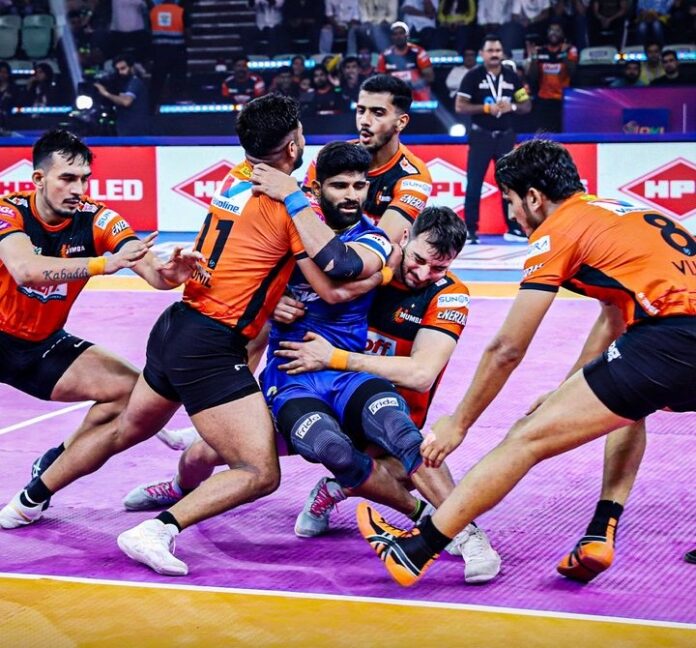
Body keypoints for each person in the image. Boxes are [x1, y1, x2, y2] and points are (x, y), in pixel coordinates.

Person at [0, 96, 401, 578]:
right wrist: (387, 265)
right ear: (294, 146)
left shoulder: (235, 178)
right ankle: (158, 530)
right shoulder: (290, 203)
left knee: (125, 427)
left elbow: (236, 260)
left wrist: (261, 290)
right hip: (212, 345)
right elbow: (336, 277)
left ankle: (27, 501)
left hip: (177, 324)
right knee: (259, 471)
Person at [355, 138, 696, 587]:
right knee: (629, 407)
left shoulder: (558, 229)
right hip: (670, 334)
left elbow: (507, 349)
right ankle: (601, 531)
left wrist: (459, 422)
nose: (513, 214)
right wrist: (566, 391)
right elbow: (614, 317)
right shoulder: (618, 212)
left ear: (533, 197)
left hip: (671, 338)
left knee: (525, 438)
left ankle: (417, 549)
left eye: (511, 201)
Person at [275, 206, 502, 583]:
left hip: (390, 416)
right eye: (419, 260)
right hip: (321, 397)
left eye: (438, 268)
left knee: (409, 452)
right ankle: (176, 499)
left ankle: (464, 532)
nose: (423, 274)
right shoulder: (366, 264)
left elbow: (422, 374)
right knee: (228, 452)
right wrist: (274, 303)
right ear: (405, 238)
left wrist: (336, 357)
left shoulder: (449, 295)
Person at [0, 128, 200, 528]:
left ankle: (54, 464)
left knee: (134, 394)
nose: (78, 189)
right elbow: (24, 269)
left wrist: (171, 275)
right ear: (38, 178)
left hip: (42, 346)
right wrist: (102, 264)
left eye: (84, 179)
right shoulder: (9, 211)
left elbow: (150, 271)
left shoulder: (98, 219)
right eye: (67, 178)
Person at [455, 34, 532, 244]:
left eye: (497, 50)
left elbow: (526, 105)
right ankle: (470, 230)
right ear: (482, 54)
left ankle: (514, 228)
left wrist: (512, 106)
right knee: (474, 183)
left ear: (502, 53)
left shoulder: (511, 76)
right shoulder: (473, 76)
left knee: (509, 184)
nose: (494, 54)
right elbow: (460, 106)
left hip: (505, 137)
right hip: (481, 136)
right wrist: (486, 108)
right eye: (490, 51)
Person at [527, 21, 578, 133]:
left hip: (563, 99)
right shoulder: (540, 51)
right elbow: (532, 77)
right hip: (544, 99)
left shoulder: (570, 49)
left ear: (563, 34)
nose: (553, 33)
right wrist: (534, 58)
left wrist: (563, 54)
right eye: (551, 30)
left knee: (562, 132)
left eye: (557, 30)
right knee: (541, 133)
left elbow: (573, 72)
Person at [377, 21, 435, 102]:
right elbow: (380, 81)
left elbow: (430, 77)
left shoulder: (419, 52)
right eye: (395, 34)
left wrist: (411, 85)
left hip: (417, 97)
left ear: (407, 35)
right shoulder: (384, 56)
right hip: (394, 99)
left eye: (401, 33)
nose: (398, 36)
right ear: (391, 37)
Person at [94, 53, 149, 136]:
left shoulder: (135, 82)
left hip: (136, 132)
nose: (120, 72)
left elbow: (126, 102)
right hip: (125, 130)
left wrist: (105, 93)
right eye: (118, 70)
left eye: (123, 68)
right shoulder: (122, 84)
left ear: (131, 67)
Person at [149, 0, 189, 109]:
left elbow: (149, 30)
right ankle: (176, 101)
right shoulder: (181, 11)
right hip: (177, 50)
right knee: (178, 77)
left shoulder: (154, 11)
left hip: (159, 50)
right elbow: (187, 32)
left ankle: (153, 103)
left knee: (157, 78)